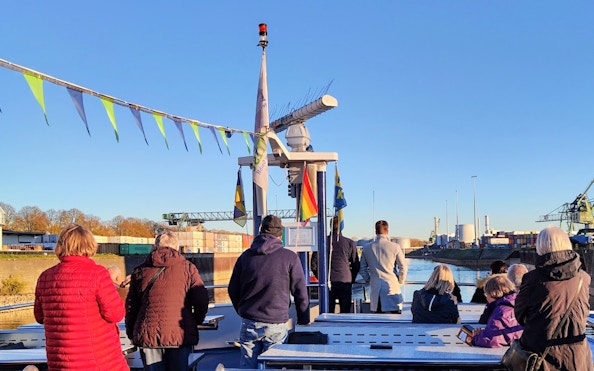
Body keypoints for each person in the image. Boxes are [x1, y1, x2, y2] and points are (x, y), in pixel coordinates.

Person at [33, 223, 128, 371]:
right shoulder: (97, 274)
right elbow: (115, 314)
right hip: (99, 362)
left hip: (60, 362)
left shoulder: (45, 277)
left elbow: (39, 317)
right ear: (90, 245)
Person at [228, 215, 310, 369]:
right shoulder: (290, 257)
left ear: (261, 231)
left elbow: (233, 288)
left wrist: (241, 310)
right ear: (280, 235)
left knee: (248, 366)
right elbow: (300, 293)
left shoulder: (245, 257)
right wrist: (303, 320)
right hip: (276, 323)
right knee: (274, 366)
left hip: (249, 321)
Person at [126, 230, 209, 371]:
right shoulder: (188, 268)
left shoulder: (140, 271)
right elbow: (201, 299)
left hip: (148, 335)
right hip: (179, 334)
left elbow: (131, 307)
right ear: (176, 247)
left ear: (156, 246)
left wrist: (131, 332)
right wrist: (195, 321)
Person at [515, 226, 593, 370]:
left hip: (542, 355)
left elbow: (520, 315)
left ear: (540, 247)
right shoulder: (584, 278)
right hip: (577, 357)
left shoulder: (532, 279)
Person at [311, 217, 360, 313]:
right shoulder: (350, 243)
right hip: (345, 279)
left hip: (328, 281)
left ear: (330, 226)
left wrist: (321, 277)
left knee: (327, 312)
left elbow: (313, 264)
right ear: (341, 227)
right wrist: (351, 278)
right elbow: (356, 264)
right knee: (345, 312)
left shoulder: (322, 242)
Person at [359, 220, 408, 314]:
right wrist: (400, 281)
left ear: (375, 231)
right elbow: (403, 267)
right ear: (387, 231)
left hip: (376, 289)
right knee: (394, 319)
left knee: (377, 321)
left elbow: (362, 269)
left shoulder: (367, 248)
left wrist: (369, 279)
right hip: (391, 287)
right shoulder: (395, 247)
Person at [472, 275, 523, 347]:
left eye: (486, 294)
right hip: (519, 349)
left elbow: (492, 340)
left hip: (505, 354)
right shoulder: (519, 304)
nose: (486, 298)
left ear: (492, 293)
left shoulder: (501, 312)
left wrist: (476, 338)